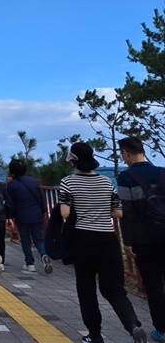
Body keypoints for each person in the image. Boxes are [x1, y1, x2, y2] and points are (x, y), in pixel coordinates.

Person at [59, 142, 147, 343]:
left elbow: (65, 213)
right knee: (114, 289)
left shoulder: (68, 182)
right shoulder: (106, 182)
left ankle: (95, 334)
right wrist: (99, 211)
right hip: (108, 239)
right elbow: (118, 212)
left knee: (86, 289)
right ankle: (132, 324)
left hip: (82, 239)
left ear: (73, 160)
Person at [117, 136, 165, 342]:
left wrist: (127, 243)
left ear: (126, 153)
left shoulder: (125, 178)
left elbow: (126, 213)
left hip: (144, 240)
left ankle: (161, 330)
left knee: (153, 285)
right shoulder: (162, 172)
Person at [6, 158, 52, 274]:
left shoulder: (12, 185)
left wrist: (9, 217)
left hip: (22, 216)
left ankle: (30, 264)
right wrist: (43, 211)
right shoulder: (33, 182)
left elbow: (10, 204)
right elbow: (41, 198)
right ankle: (44, 254)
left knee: (25, 240)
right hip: (36, 214)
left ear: (12, 171)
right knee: (39, 239)